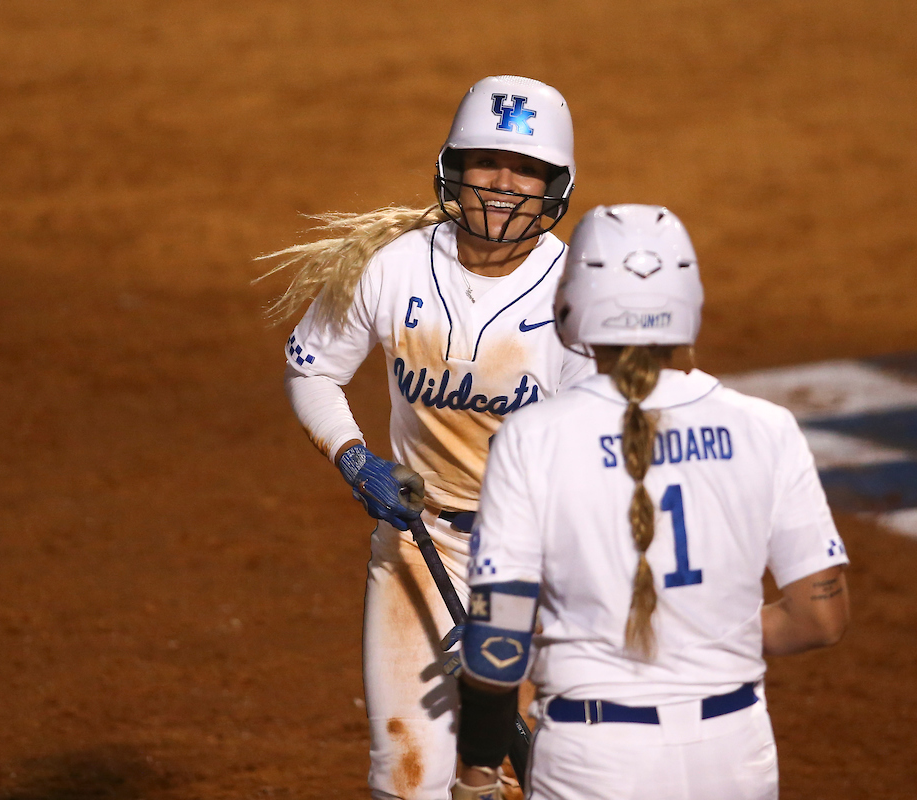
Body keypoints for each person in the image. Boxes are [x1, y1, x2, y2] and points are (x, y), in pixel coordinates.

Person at [262, 76, 593, 800]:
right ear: (453, 165)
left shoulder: (578, 293)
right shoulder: (393, 265)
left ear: (556, 184)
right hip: (421, 545)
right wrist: (355, 460)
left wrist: (510, 606)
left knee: (545, 780)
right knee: (408, 777)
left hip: (546, 558)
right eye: (486, 161)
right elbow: (311, 369)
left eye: (528, 169)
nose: (504, 183)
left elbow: (591, 453)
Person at [454, 205, 851, 800]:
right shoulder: (767, 428)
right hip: (736, 753)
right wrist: (704, 636)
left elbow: (497, 642)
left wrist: (479, 771)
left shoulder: (532, 437)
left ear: (574, 302)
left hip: (597, 760)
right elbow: (821, 617)